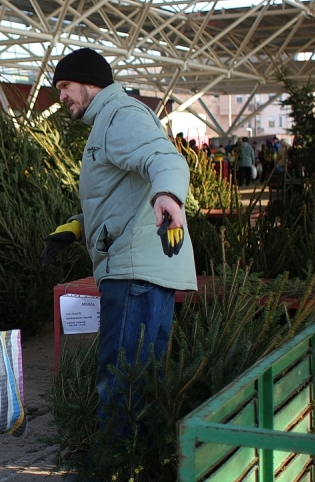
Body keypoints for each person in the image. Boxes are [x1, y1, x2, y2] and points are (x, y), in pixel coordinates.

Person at [42, 48, 197, 430]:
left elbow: (167, 160)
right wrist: (77, 226)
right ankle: (139, 461)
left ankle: (118, 465)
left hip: (134, 273)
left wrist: (168, 196)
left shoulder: (121, 116)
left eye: (65, 85)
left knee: (122, 383)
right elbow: (118, 195)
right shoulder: (107, 121)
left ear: (90, 81)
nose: (60, 96)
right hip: (135, 268)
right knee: (140, 379)